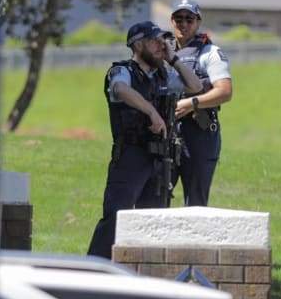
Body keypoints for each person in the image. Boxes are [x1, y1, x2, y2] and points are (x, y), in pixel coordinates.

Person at [86, 21, 202, 259]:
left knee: (154, 221)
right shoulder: (123, 71)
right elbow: (120, 90)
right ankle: (94, 270)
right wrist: (151, 111)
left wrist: (174, 59)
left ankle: (144, 275)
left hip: (159, 158)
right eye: (154, 40)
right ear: (138, 45)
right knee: (116, 218)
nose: (161, 45)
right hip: (131, 156)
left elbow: (196, 86)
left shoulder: (164, 75)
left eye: (163, 40)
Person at [169, 0, 233, 207]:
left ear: (198, 23)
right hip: (166, 133)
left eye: (189, 19)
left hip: (199, 133)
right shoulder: (164, 54)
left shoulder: (210, 53)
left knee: (195, 204)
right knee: (155, 198)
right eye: (179, 19)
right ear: (172, 22)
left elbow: (224, 92)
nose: (184, 24)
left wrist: (191, 103)